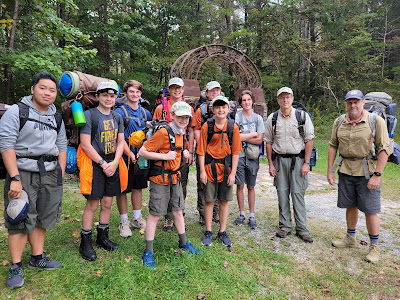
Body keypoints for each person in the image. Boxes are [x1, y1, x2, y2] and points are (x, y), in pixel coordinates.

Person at [0, 72, 67, 289]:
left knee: (43, 216)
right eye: (42, 88)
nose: (47, 93)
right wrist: (15, 178)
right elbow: (6, 145)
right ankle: (16, 265)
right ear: (32, 89)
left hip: (50, 173)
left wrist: (61, 172)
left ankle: (37, 257)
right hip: (22, 172)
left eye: (52, 90)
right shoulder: (16, 112)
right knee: (18, 217)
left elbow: (62, 145)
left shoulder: (56, 116)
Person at [327, 89, 391, 263]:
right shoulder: (339, 121)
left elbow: (385, 148)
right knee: (350, 205)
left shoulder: (375, 121)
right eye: (349, 102)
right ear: (346, 104)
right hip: (346, 169)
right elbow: (333, 145)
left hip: (368, 172)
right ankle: (350, 238)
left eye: (356, 102)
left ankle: (374, 247)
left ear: (363, 102)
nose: (353, 105)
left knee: (370, 210)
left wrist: (377, 175)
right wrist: (330, 170)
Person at [139, 101, 200, 268]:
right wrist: (164, 157)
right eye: (180, 116)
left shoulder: (182, 132)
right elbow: (142, 151)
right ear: (172, 116)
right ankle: (148, 251)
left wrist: (185, 152)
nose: (183, 120)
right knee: (155, 214)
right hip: (160, 179)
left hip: (175, 178)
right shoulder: (164, 132)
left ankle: (183, 243)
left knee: (178, 212)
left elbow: (178, 151)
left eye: (186, 117)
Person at [78, 81, 126, 261]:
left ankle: (102, 237)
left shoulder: (117, 117)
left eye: (112, 96)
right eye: (105, 95)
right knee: (92, 203)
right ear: (97, 96)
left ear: (115, 98)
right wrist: (101, 163)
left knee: (107, 202)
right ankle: (86, 242)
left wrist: (114, 163)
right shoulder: (89, 115)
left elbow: (120, 142)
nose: (108, 98)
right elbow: (85, 144)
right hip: (94, 163)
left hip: (112, 163)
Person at [265, 87, 314, 243]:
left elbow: (309, 141)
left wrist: (306, 163)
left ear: (292, 98)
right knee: (282, 193)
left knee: (298, 194)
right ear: (278, 100)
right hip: (279, 161)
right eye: (282, 97)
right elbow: (268, 142)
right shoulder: (272, 118)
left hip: (298, 161)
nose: (285, 100)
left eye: (288, 97)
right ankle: (285, 226)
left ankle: (302, 229)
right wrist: (270, 164)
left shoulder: (302, 117)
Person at [197, 96, 242, 247]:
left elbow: (236, 152)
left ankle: (222, 231)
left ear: (228, 109)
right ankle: (208, 230)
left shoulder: (232, 127)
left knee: (224, 200)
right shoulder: (207, 126)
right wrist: (202, 171)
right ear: (213, 109)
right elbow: (201, 151)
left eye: (224, 107)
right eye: (218, 107)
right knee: (209, 200)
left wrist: (233, 173)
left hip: (226, 168)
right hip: (210, 168)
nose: (221, 110)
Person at [153, 77, 195, 231]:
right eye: (174, 88)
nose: (177, 90)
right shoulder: (160, 108)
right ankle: (166, 216)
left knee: (181, 183)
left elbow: (191, 130)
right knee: (164, 183)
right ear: (169, 90)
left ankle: (176, 214)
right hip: (164, 155)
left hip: (182, 154)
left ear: (183, 90)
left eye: (180, 88)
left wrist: (190, 151)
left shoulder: (189, 109)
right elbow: (153, 130)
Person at [115, 80, 152, 237]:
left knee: (138, 186)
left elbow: (150, 135)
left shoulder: (146, 113)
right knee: (122, 188)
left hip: (141, 156)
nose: (134, 95)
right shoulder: (119, 112)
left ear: (141, 94)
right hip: (124, 155)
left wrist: (143, 152)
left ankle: (137, 217)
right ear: (125, 93)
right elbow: (118, 137)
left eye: (137, 92)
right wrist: (130, 154)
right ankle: (124, 221)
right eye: (131, 92)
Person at [233, 90, 265, 229]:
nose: (246, 102)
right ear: (241, 103)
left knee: (251, 186)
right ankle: (242, 213)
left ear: (252, 101)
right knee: (240, 185)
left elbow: (260, 139)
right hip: (239, 155)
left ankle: (252, 215)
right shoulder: (237, 117)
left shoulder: (258, 118)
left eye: (248, 99)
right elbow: (235, 137)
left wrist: (244, 136)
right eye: (244, 100)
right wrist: (252, 134)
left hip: (252, 156)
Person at [193, 81, 222, 225]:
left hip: (221, 153)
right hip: (204, 152)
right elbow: (196, 129)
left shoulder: (225, 108)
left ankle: (215, 212)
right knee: (202, 182)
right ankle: (203, 213)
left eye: (217, 90)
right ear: (207, 93)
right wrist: (204, 147)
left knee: (218, 181)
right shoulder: (201, 110)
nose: (215, 93)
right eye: (212, 91)